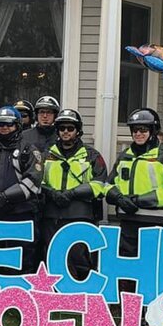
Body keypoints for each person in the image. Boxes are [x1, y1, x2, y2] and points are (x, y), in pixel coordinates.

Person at [104, 108, 163, 257]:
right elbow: (107, 185)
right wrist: (119, 198)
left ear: (153, 131)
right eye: (134, 130)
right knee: (127, 268)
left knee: (154, 269)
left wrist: (140, 200)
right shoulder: (125, 156)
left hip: (158, 224)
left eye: (143, 129)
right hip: (128, 222)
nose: (138, 134)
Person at [0, 106, 43, 273]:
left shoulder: (29, 149)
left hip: (20, 213)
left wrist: (6, 197)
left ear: (17, 125)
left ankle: (20, 295)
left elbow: (33, 180)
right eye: (0, 124)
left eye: (8, 124)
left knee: (22, 257)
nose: (4, 127)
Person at [42, 109, 108, 280]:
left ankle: (81, 293)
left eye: (70, 128)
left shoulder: (92, 155)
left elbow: (100, 184)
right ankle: (56, 296)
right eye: (62, 128)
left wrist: (72, 194)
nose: (65, 132)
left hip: (80, 214)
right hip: (52, 213)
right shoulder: (46, 153)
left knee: (79, 255)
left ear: (78, 131)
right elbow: (36, 179)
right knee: (52, 254)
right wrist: (51, 193)